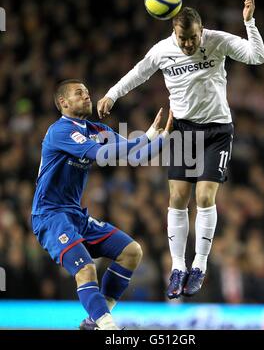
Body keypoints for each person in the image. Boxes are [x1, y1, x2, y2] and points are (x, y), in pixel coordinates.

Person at [97, 0, 264, 299]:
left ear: (202, 32)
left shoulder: (217, 41)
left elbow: (258, 57)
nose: (188, 44)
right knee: (177, 197)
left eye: (193, 38)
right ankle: (178, 267)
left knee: (204, 196)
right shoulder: (163, 50)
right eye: (183, 39)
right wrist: (112, 95)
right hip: (184, 130)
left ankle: (199, 265)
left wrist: (249, 23)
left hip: (217, 130)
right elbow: (138, 73)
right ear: (174, 33)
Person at [31, 79, 172, 330]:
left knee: (131, 252)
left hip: (75, 215)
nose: (86, 96)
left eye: (87, 92)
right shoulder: (60, 131)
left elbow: (134, 155)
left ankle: (94, 320)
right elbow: (101, 154)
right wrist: (148, 135)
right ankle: (108, 327)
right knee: (85, 268)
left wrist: (162, 138)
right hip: (50, 215)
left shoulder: (95, 129)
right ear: (63, 102)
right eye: (79, 93)